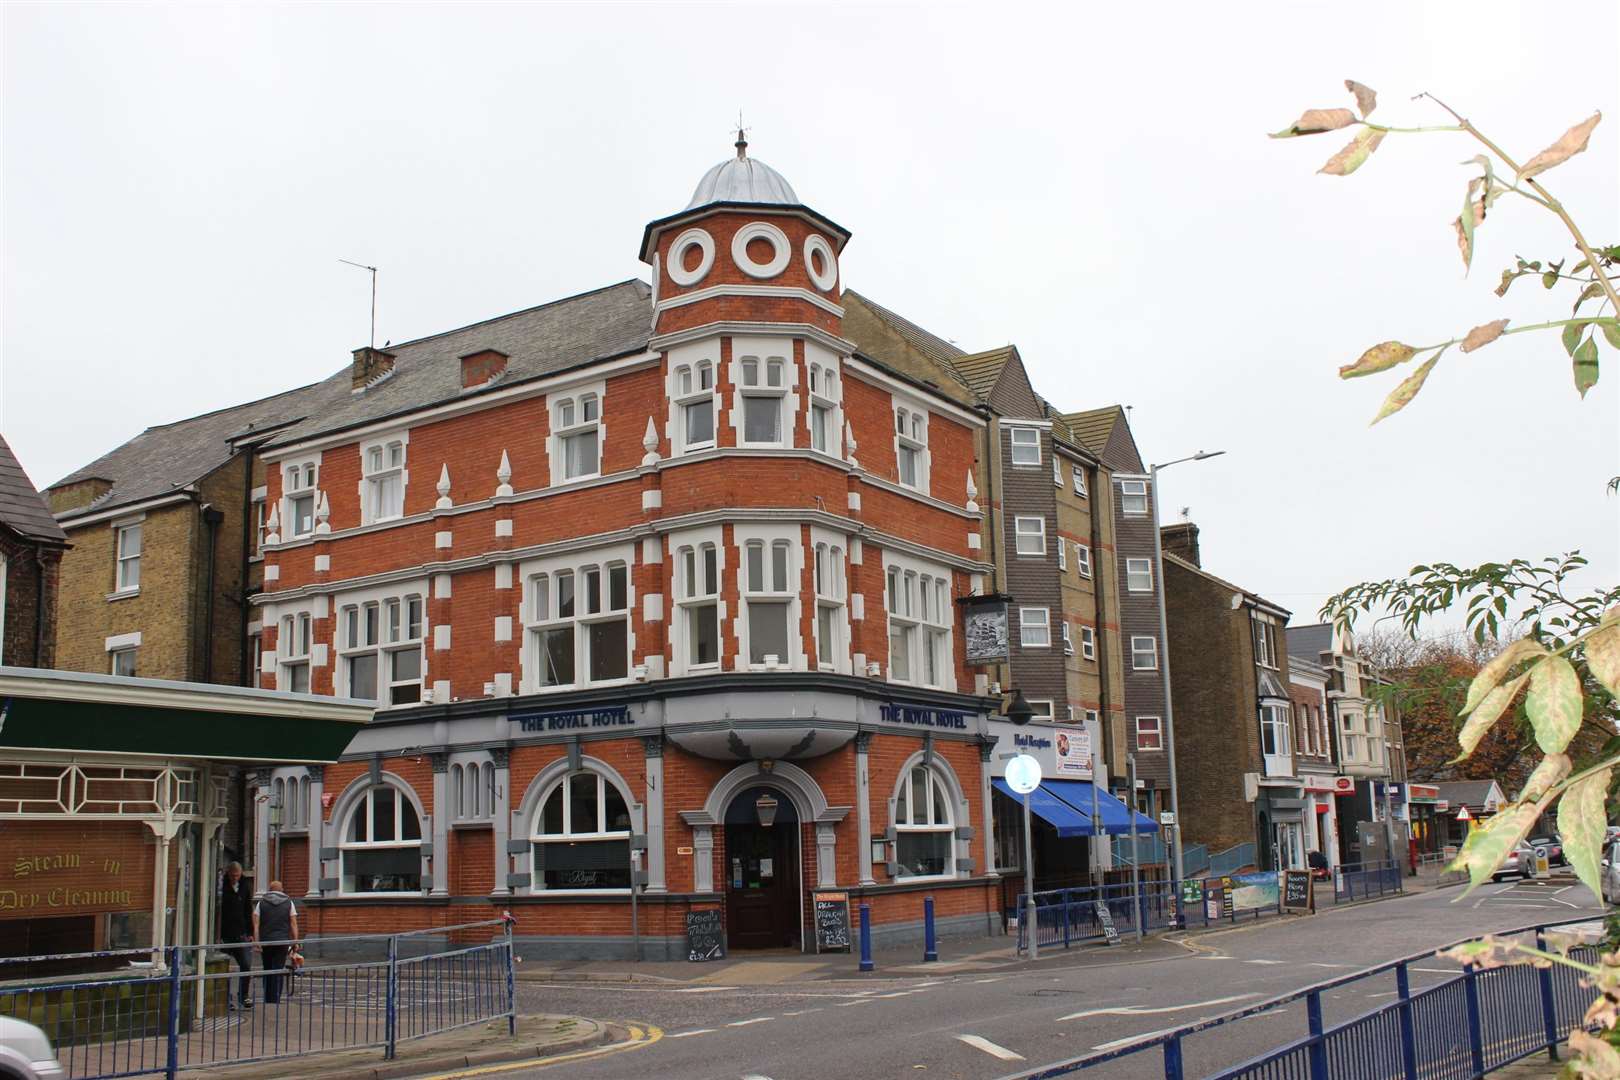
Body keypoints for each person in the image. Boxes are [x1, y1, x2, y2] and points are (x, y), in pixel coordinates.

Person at [251, 880, 300, 1005]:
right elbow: (293, 924)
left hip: (266, 941)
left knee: (267, 969)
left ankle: (268, 998)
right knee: (278, 969)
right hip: (282, 942)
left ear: (269, 889)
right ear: (281, 889)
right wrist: (295, 942)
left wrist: (257, 942)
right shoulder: (289, 903)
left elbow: (256, 925)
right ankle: (276, 998)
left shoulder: (261, 903)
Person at [217, 861, 254, 1010]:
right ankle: (226, 998)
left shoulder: (245, 886)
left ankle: (244, 995)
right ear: (228, 873)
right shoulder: (222, 885)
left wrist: (250, 932)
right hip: (225, 932)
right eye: (233, 876)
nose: (235, 878)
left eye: (237, 875)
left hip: (241, 932)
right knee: (223, 966)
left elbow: (248, 909)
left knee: (245, 965)